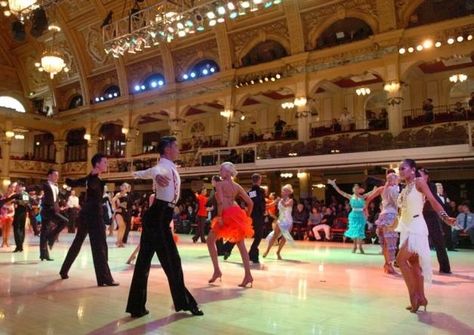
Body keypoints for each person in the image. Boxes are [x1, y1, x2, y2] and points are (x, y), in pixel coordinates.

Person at [126, 136, 203, 318]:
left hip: (158, 216)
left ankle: (137, 306)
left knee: (145, 261)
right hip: (159, 217)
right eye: (175, 146)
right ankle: (185, 303)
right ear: (167, 149)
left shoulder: (171, 167)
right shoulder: (162, 167)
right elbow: (155, 170)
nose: (178, 149)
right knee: (172, 262)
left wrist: (151, 174)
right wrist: (154, 175)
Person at [396, 159, 455, 313]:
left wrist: (445, 217)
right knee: (414, 263)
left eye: (403, 168)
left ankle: (413, 296)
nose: (400, 171)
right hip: (406, 227)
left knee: (400, 260)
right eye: (399, 169)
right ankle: (421, 297)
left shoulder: (419, 182)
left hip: (417, 226)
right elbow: (402, 212)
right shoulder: (404, 188)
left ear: (413, 169)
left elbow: (433, 201)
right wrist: (390, 226)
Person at [59, 153, 119, 287]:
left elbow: (80, 185)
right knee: (100, 246)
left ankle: (64, 270)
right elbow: (91, 188)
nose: (106, 164)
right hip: (93, 215)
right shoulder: (92, 179)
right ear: (97, 164)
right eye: (104, 162)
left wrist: (70, 182)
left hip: (86, 214)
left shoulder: (91, 179)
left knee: (78, 242)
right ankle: (105, 278)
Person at [206, 162, 254, 287]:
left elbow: (221, 202)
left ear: (227, 172)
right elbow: (250, 203)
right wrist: (246, 217)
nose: (219, 172)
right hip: (237, 214)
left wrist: (221, 217)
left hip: (225, 215)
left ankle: (217, 271)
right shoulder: (237, 186)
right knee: (241, 246)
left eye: (221, 170)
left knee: (210, 241)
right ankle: (248, 275)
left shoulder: (220, 184)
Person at [417, 172, 453, 274]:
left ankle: (445, 267)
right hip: (420, 216)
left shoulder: (431, 186)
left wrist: (445, 216)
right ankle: (416, 266)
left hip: (431, 216)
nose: (419, 177)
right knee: (416, 242)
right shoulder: (415, 185)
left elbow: (434, 200)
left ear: (427, 176)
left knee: (439, 241)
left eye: (421, 175)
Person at [365, 172, 400, 274]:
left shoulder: (382, 189)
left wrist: (366, 209)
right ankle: (389, 265)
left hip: (383, 216)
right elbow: (399, 205)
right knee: (391, 243)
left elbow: (368, 198)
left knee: (385, 243)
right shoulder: (395, 190)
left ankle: (387, 264)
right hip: (391, 217)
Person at [327, 179, 371, 253]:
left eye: (357, 188)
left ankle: (360, 247)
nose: (356, 189)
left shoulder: (362, 197)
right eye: (355, 188)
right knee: (354, 231)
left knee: (360, 231)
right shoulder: (350, 197)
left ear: (360, 190)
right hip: (353, 215)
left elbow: (371, 193)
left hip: (361, 216)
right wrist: (334, 185)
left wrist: (376, 189)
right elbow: (340, 192)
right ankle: (354, 246)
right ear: (353, 190)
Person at [40, 169, 69, 261]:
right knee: (65, 221)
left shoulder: (56, 186)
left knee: (44, 231)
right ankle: (51, 236)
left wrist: (68, 189)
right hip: (48, 210)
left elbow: (63, 196)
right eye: (55, 175)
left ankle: (44, 254)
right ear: (49, 176)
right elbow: (36, 187)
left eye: (57, 175)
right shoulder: (45, 185)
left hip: (54, 210)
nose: (57, 177)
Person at [263, 184, 294, 260]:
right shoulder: (279, 200)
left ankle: (278, 252)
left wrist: (279, 200)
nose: (283, 192)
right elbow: (268, 206)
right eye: (283, 190)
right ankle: (267, 250)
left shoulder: (291, 200)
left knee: (284, 238)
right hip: (280, 220)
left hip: (288, 221)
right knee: (274, 236)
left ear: (289, 192)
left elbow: (286, 205)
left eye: (285, 190)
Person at [247, 173, 266, 264]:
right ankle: (252, 255)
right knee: (258, 236)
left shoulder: (250, 192)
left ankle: (252, 255)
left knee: (256, 236)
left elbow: (252, 203)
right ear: (259, 180)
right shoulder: (261, 191)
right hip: (258, 217)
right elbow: (259, 203)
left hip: (252, 216)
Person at [112, 183, 132, 247]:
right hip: (119, 212)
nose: (124, 187)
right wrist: (114, 209)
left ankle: (120, 241)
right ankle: (118, 241)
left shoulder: (127, 195)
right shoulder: (118, 194)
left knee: (123, 227)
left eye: (125, 186)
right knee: (121, 226)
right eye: (123, 186)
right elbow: (113, 200)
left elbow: (126, 205)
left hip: (124, 212)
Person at [12, 182, 30, 253]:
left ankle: (20, 246)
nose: (16, 187)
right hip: (17, 213)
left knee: (19, 229)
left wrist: (16, 201)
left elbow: (26, 202)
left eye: (17, 186)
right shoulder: (16, 194)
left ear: (21, 186)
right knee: (17, 229)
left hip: (21, 213)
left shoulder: (25, 193)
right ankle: (19, 246)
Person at [1, 184, 17, 248]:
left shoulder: (15, 195)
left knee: (9, 229)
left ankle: (7, 241)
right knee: (4, 228)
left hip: (11, 213)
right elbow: (2, 203)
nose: (13, 188)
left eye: (14, 187)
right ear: (8, 188)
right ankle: (3, 242)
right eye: (11, 187)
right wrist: (5, 206)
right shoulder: (5, 195)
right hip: (4, 213)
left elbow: (15, 205)